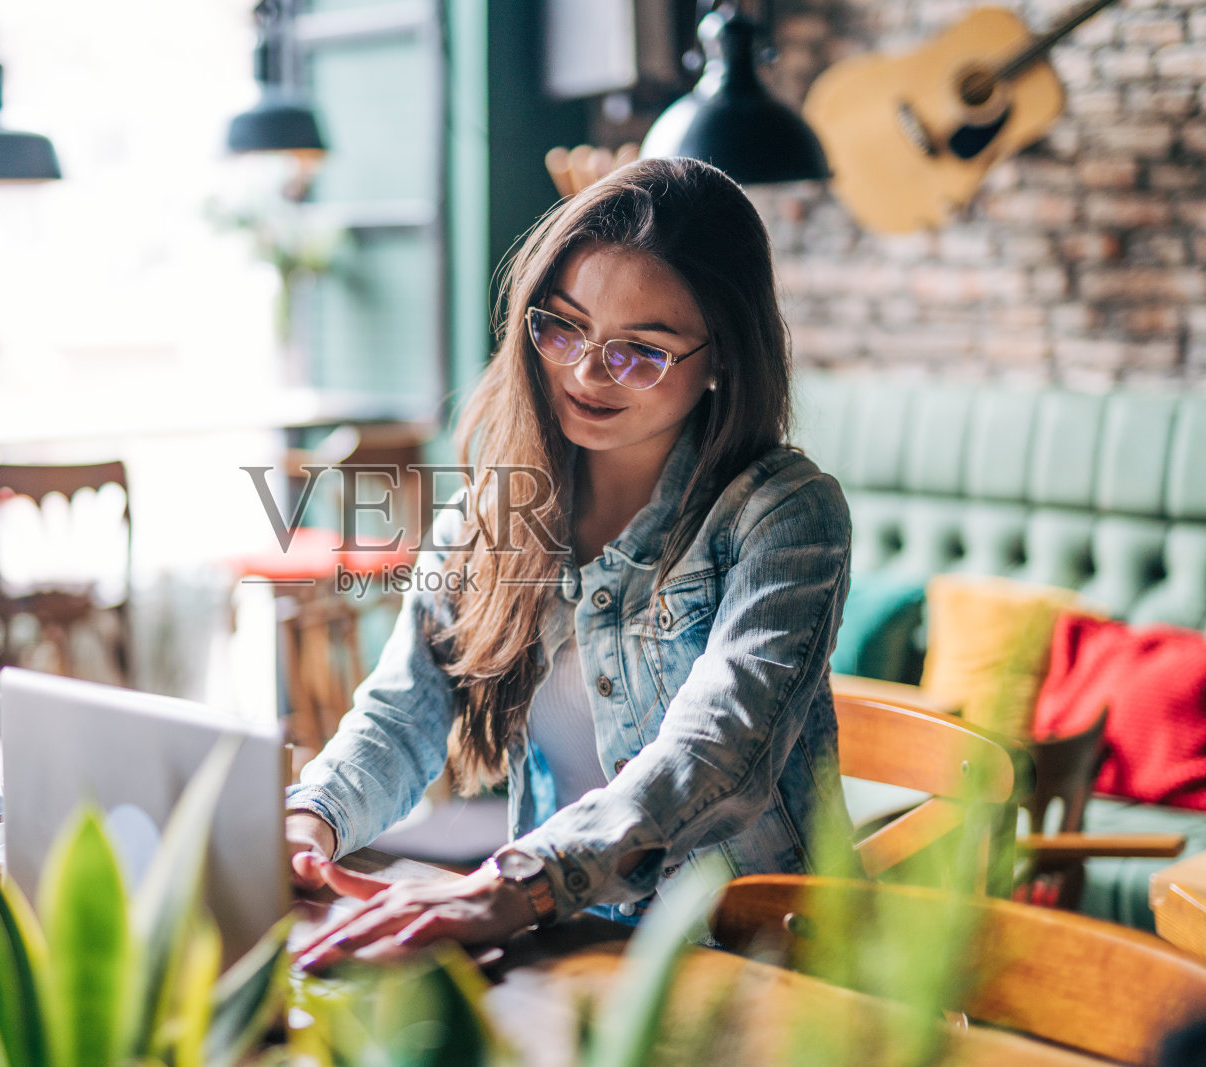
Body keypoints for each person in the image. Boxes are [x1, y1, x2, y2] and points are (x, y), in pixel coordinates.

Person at [285, 157, 856, 970]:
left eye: (641, 351)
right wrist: (313, 819)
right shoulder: (491, 516)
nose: (586, 371)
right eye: (562, 326)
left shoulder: (782, 514)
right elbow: (401, 714)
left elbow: (716, 750)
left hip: (760, 967)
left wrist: (515, 884)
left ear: (722, 358)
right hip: (573, 951)